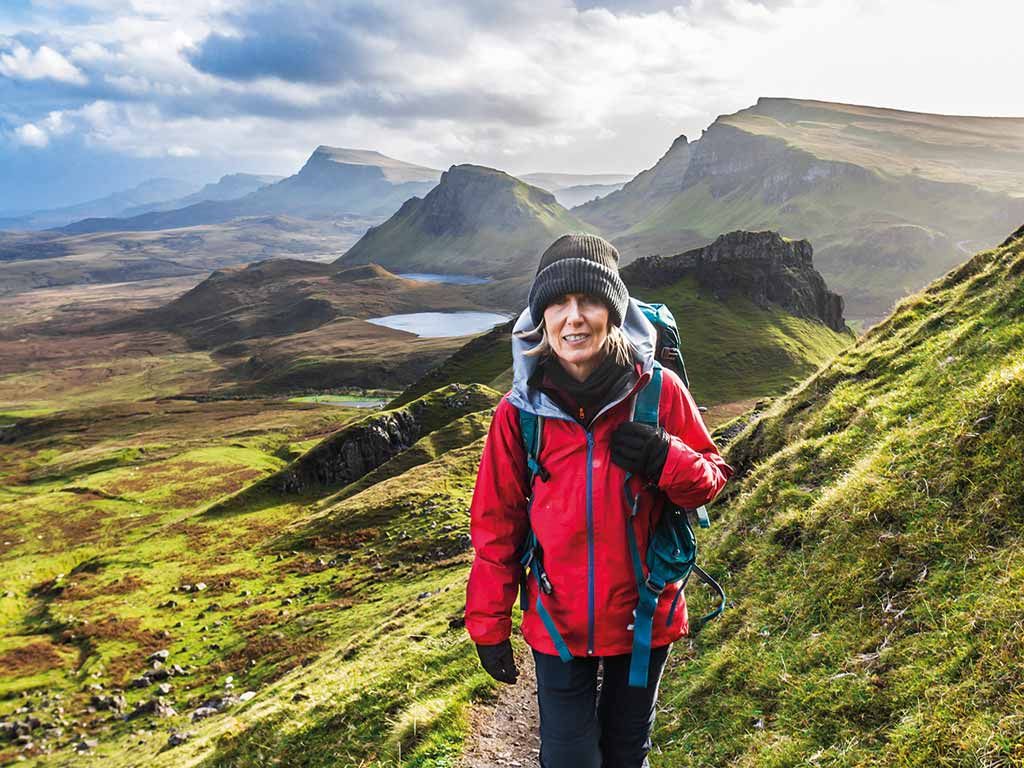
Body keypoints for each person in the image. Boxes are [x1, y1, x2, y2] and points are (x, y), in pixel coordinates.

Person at [464, 232, 735, 768]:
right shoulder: (518, 414)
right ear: (541, 319)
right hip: (557, 621)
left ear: (613, 312)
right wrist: (488, 623)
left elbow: (710, 481)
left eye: (588, 301)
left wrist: (666, 458)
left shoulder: (658, 392)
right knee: (569, 759)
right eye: (558, 304)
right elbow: (497, 523)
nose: (574, 318)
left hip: (644, 616)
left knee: (626, 752)